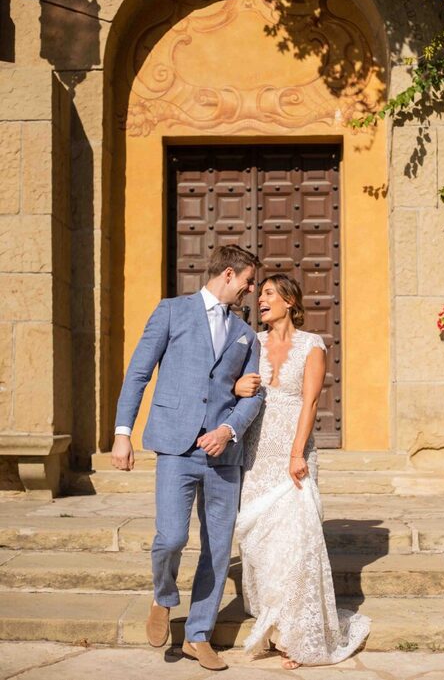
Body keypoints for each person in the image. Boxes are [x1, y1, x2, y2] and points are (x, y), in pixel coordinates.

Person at [111, 245, 264, 672]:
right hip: (176, 446)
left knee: (217, 549)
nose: (251, 291)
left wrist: (228, 429)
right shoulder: (171, 311)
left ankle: (198, 635)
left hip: (223, 454)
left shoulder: (245, 334)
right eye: (249, 281)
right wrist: (123, 434)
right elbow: (139, 372)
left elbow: (253, 396)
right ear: (229, 275)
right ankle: (163, 595)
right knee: (172, 537)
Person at [234, 274, 370, 670]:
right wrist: (239, 385)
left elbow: (309, 404)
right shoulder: (251, 343)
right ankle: (275, 628)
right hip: (255, 452)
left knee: (295, 543)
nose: (261, 300)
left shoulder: (312, 345)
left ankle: (298, 635)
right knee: (262, 543)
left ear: (290, 302)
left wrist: (297, 454)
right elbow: (231, 385)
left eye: (269, 294)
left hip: (292, 452)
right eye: (259, 294)